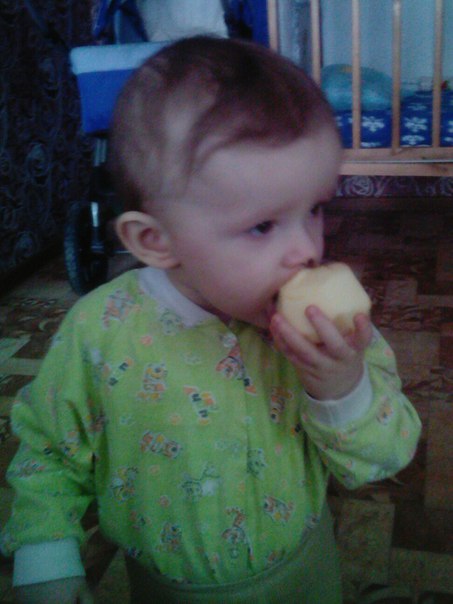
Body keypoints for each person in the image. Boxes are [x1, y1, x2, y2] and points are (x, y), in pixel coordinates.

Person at [2, 36, 421, 603]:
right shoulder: (99, 331)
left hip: (306, 571)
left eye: (316, 210)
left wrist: (343, 389)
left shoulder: (334, 341)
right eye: (262, 226)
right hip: (165, 589)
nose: (306, 250)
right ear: (156, 241)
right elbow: (49, 447)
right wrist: (45, 555)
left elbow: (385, 458)